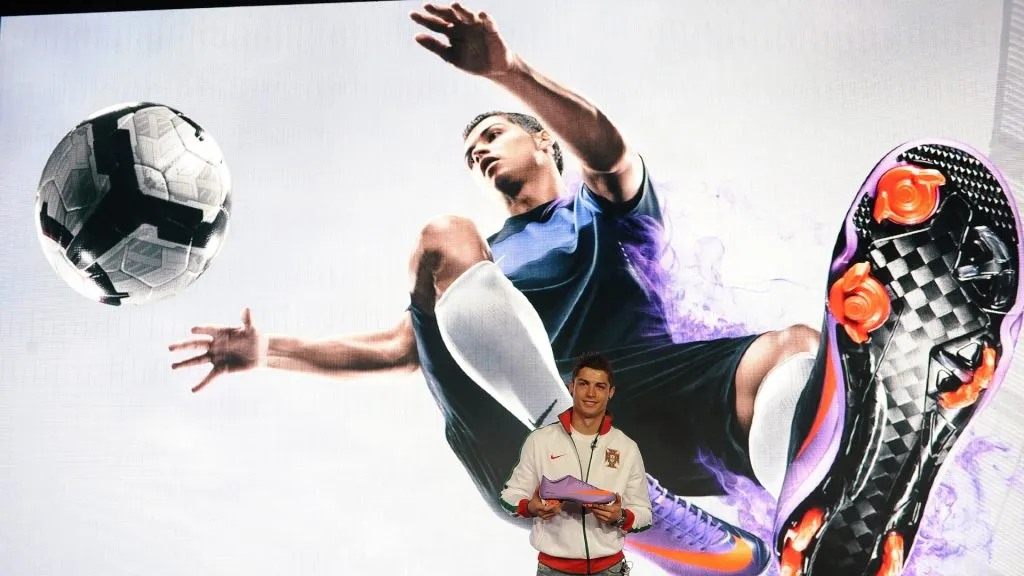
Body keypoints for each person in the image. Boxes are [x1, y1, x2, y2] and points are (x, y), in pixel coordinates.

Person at [169, 3, 1024, 576]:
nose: (481, 151)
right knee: (441, 238)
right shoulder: (480, 263)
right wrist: (267, 351)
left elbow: (610, 150)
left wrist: (507, 73)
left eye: (495, 136)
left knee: (795, 348)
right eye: (472, 151)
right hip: (522, 434)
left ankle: (811, 517)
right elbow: (400, 351)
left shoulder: (607, 217)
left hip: (643, 413)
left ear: (544, 146)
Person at [499, 353, 651, 576]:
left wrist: (621, 516)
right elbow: (509, 495)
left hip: (609, 569)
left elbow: (644, 514)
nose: (591, 393)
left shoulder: (626, 447)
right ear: (571, 387)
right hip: (553, 569)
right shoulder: (540, 440)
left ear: (611, 392)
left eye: (600, 386)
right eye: (584, 384)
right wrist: (530, 507)